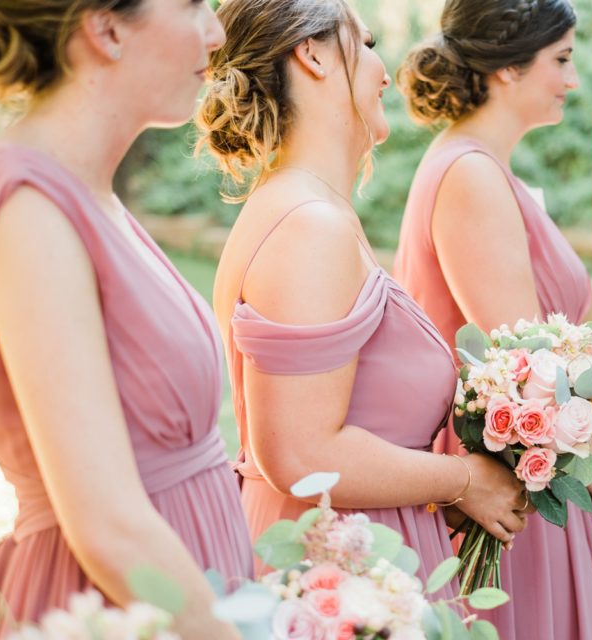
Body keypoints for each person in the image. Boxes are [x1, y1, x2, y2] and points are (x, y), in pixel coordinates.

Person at [196, 0, 527, 587]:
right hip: (335, 569)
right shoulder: (308, 226)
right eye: (367, 42)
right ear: (314, 54)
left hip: (365, 548)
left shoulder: (308, 209)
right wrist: (464, 479)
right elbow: (300, 455)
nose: (382, 68)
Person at [0, 0, 252, 636]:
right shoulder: (29, 209)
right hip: (113, 601)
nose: (215, 30)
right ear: (108, 27)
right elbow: (105, 520)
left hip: (189, 588)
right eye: (192, 6)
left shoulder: (89, 192)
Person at [394, 1, 592, 636]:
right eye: (561, 60)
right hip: (505, 469)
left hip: (534, 461)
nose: (572, 80)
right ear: (508, 69)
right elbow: (522, 363)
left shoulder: (487, 167)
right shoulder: (470, 173)